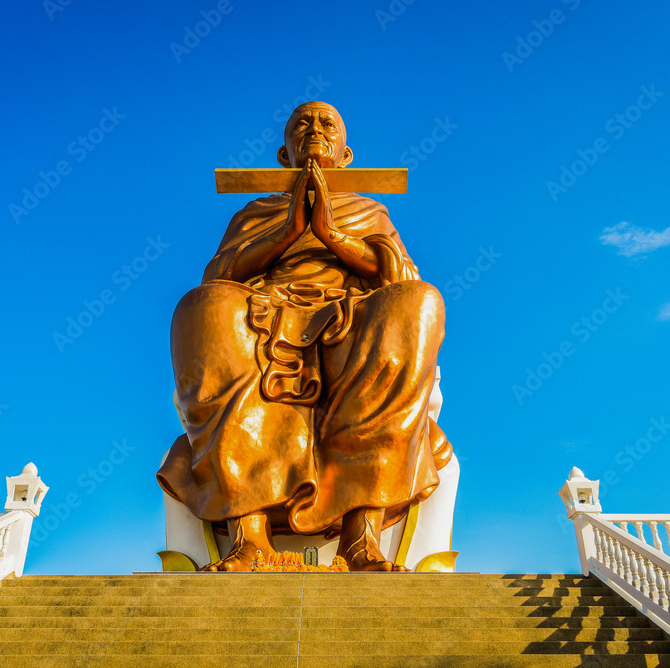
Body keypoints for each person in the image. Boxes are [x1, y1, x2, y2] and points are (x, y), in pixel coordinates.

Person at [157, 101, 451, 571]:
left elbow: (399, 275)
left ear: (346, 153)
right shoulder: (258, 209)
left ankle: (362, 537)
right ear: (283, 152)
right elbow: (220, 274)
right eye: (302, 124)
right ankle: (248, 536)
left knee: (420, 301)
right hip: (266, 310)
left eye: (326, 123)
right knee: (202, 307)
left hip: (350, 315)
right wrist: (289, 228)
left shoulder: (368, 209)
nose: (314, 129)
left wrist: (332, 235)